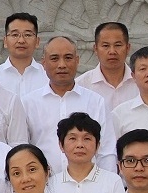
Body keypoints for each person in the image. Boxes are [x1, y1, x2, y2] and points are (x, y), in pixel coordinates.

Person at [22, 36, 114, 173]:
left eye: (68, 58)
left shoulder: (95, 101)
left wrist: (106, 182)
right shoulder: (28, 103)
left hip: (89, 182)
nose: (62, 65)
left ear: (77, 61)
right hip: (44, 182)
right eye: (54, 58)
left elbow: (106, 151)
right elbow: (23, 149)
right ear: (44, 63)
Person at [47, 113, 125, 193]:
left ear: (97, 146)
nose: (80, 145)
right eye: (72, 139)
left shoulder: (112, 181)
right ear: (61, 145)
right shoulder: (51, 184)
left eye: (87, 139)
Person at [77, 22, 138, 108]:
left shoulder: (141, 83)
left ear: (127, 48)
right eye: (106, 46)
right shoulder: (80, 86)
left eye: (118, 45)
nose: (112, 51)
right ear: (96, 49)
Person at [0, 12, 49, 97]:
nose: (21, 40)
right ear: (5, 41)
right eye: (15, 35)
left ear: (37, 42)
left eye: (27, 35)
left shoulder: (48, 76)